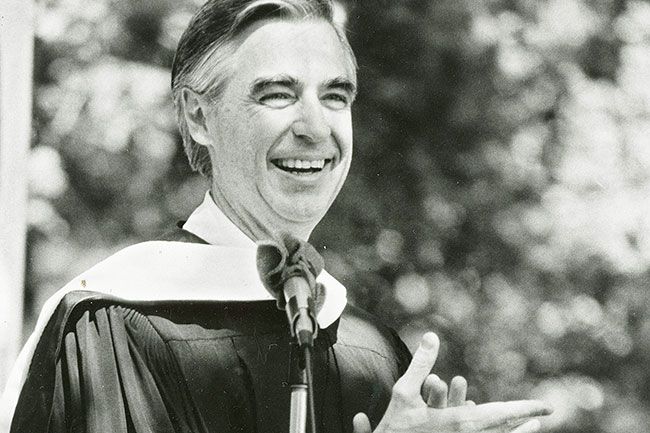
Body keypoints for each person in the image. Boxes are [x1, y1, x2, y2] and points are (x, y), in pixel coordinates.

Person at [1, 0, 552, 432]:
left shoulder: (373, 352)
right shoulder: (114, 329)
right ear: (199, 117)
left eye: (335, 96)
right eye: (277, 95)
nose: (315, 127)